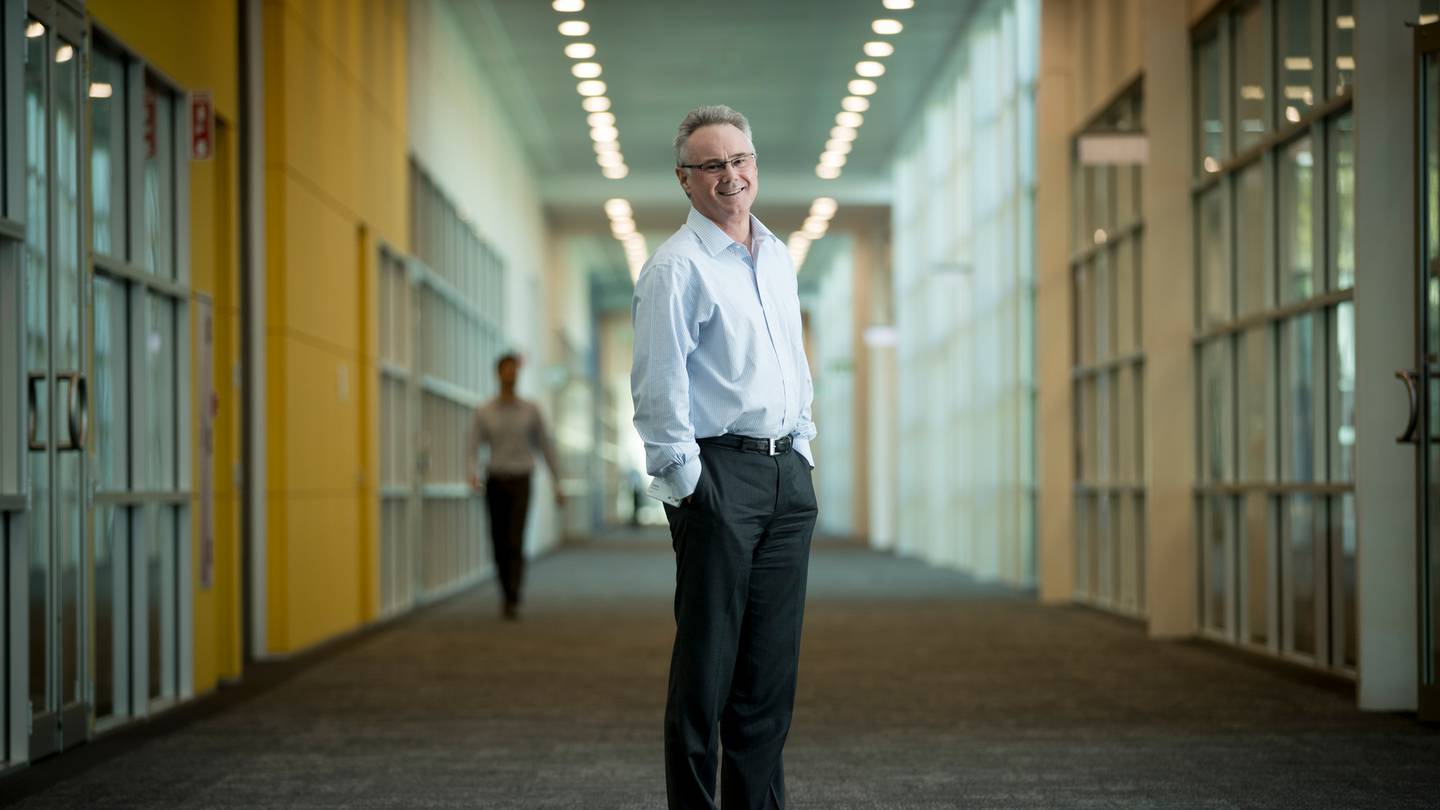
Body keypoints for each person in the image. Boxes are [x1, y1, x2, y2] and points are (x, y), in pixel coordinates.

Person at [631, 105, 819, 810]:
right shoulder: (675, 270)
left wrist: (801, 447)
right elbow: (657, 390)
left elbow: (793, 362)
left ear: (756, 167)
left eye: (739, 160)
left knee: (769, 676)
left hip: (784, 479)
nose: (729, 176)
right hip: (720, 478)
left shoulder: (775, 256)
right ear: (686, 180)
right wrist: (689, 485)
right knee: (707, 674)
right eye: (711, 165)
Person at [467, 352, 563, 620]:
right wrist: (471, 473)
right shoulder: (484, 411)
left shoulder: (531, 410)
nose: (510, 374)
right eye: (505, 370)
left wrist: (558, 482)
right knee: (498, 540)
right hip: (496, 481)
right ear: (497, 374)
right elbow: (472, 447)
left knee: (515, 539)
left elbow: (546, 446)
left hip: (522, 480)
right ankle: (505, 590)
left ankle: (513, 594)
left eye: (514, 370)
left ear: (517, 374)